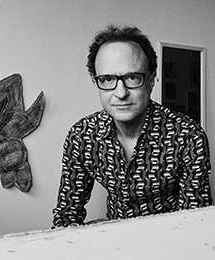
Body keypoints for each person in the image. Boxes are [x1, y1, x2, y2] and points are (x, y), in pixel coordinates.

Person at [52, 25, 213, 227]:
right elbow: (67, 215)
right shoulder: (82, 135)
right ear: (96, 82)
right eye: (108, 79)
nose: (120, 93)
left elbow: (195, 223)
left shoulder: (188, 136)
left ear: (152, 79)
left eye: (132, 78)